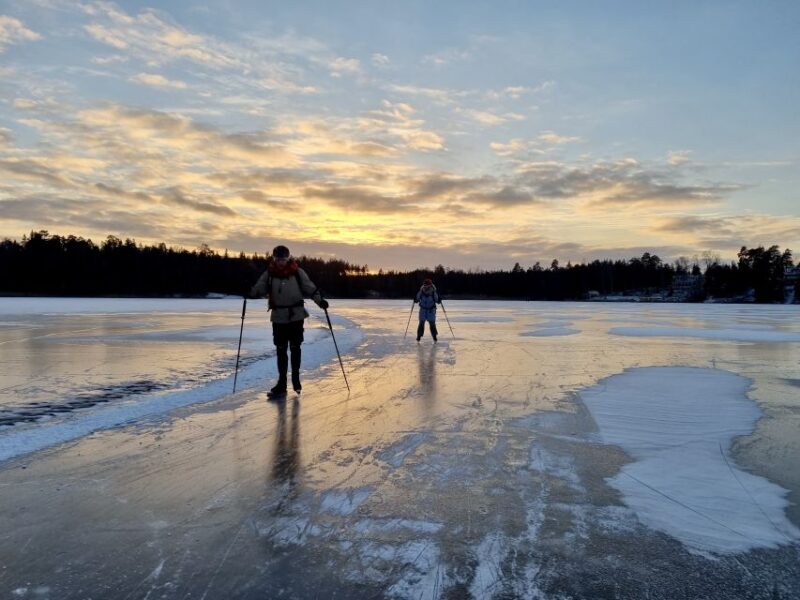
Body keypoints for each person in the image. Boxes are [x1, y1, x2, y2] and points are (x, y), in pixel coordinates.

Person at [251, 245, 328, 397]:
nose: (281, 262)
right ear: (274, 259)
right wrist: (250, 291)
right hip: (278, 316)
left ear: (288, 258)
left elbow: (310, 288)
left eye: (283, 259)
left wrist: (320, 301)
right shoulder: (269, 273)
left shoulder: (297, 272)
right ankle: (282, 383)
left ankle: (296, 379)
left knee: (295, 348)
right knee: (281, 350)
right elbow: (259, 288)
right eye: (278, 259)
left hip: (296, 316)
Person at [414, 278, 441, 342]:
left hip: (431, 310)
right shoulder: (421, 291)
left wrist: (439, 300)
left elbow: (437, 300)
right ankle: (419, 336)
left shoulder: (433, 292)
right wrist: (415, 299)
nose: (425, 286)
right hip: (423, 310)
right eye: (424, 284)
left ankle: (434, 336)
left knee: (432, 323)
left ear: (430, 285)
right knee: (421, 323)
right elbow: (417, 299)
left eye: (427, 284)